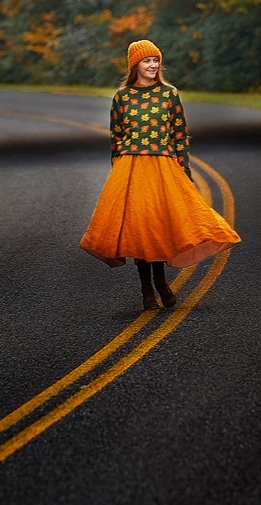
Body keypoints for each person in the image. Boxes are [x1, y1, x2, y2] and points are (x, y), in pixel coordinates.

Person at [80, 39, 241, 312]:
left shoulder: (169, 94)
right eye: (147, 61)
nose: (153, 65)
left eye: (156, 60)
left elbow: (179, 134)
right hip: (131, 168)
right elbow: (116, 137)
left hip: (163, 166)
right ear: (135, 65)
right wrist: (119, 173)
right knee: (139, 229)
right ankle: (147, 291)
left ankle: (161, 282)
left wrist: (184, 170)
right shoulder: (122, 97)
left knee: (158, 225)